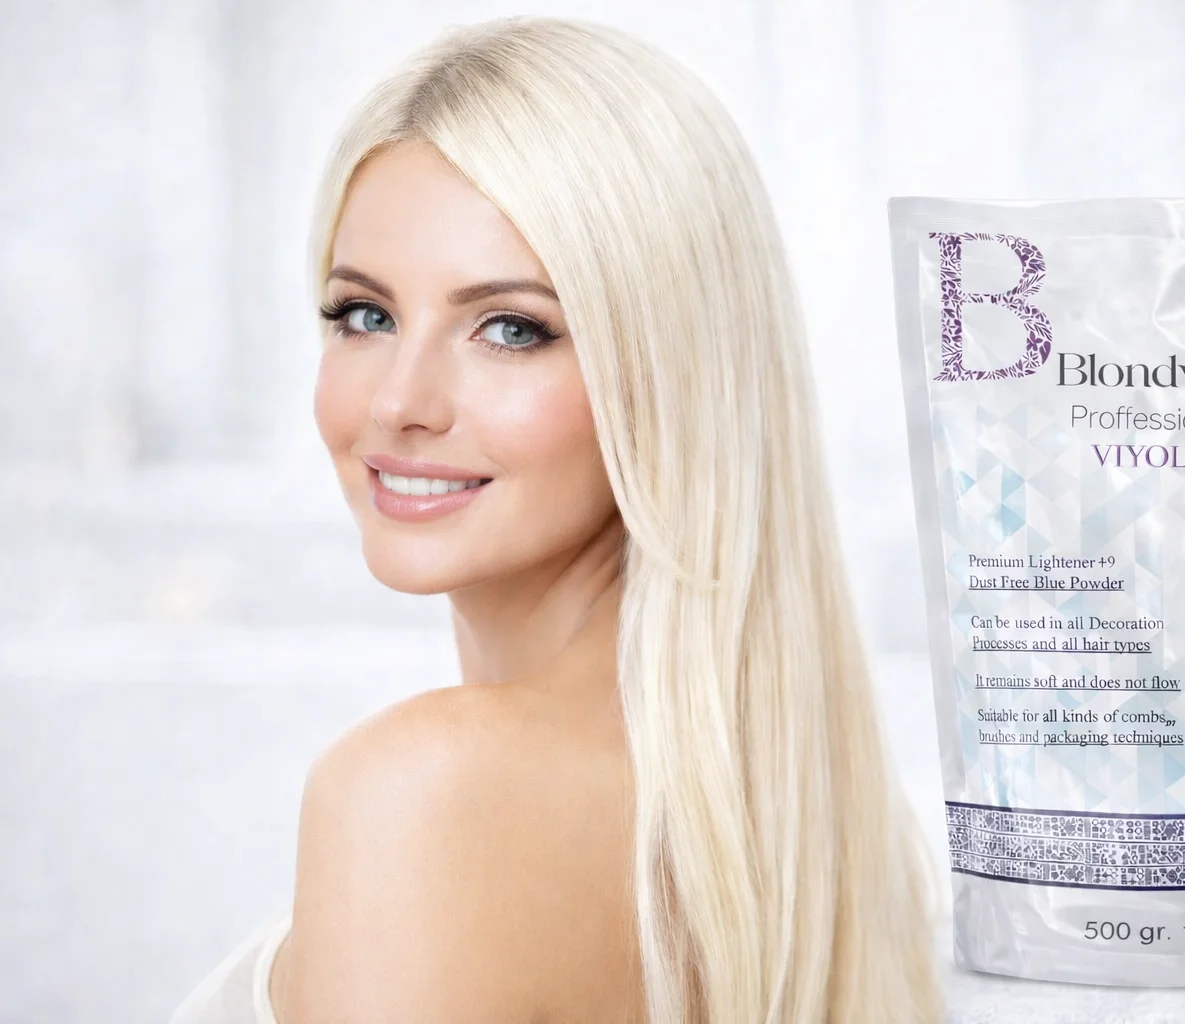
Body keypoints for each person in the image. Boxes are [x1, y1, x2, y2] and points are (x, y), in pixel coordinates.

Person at [168, 14, 944, 1024]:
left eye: (510, 328)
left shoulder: (421, 795)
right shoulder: (810, 829)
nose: (400, 400)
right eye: (366, 314)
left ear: (670, 375)